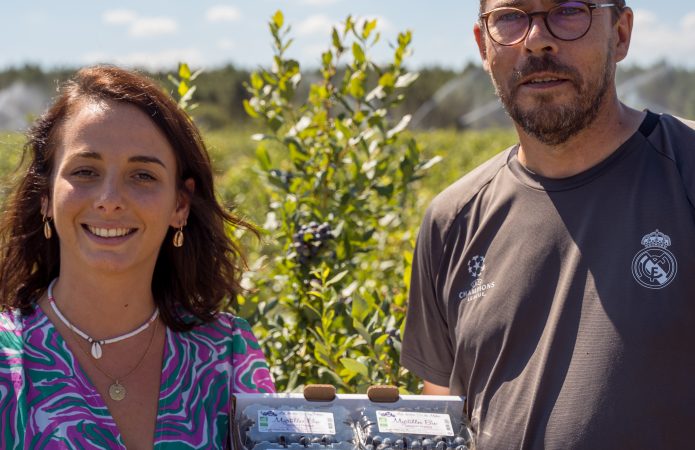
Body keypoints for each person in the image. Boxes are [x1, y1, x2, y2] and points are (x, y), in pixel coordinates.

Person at [401, 1, 695, 448]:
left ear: (620, 34)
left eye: (568, 9)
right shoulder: (452, 221)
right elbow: (444, 417)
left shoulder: (685, 169)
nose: (537, 38)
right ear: (483, 45)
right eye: (511, 16)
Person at [0, 66, 275, 449]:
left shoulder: (226, 354)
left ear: (180, 204)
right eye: (85, 171)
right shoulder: (5, 360)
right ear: (45, 197)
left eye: (142, 175)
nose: (110, 199)